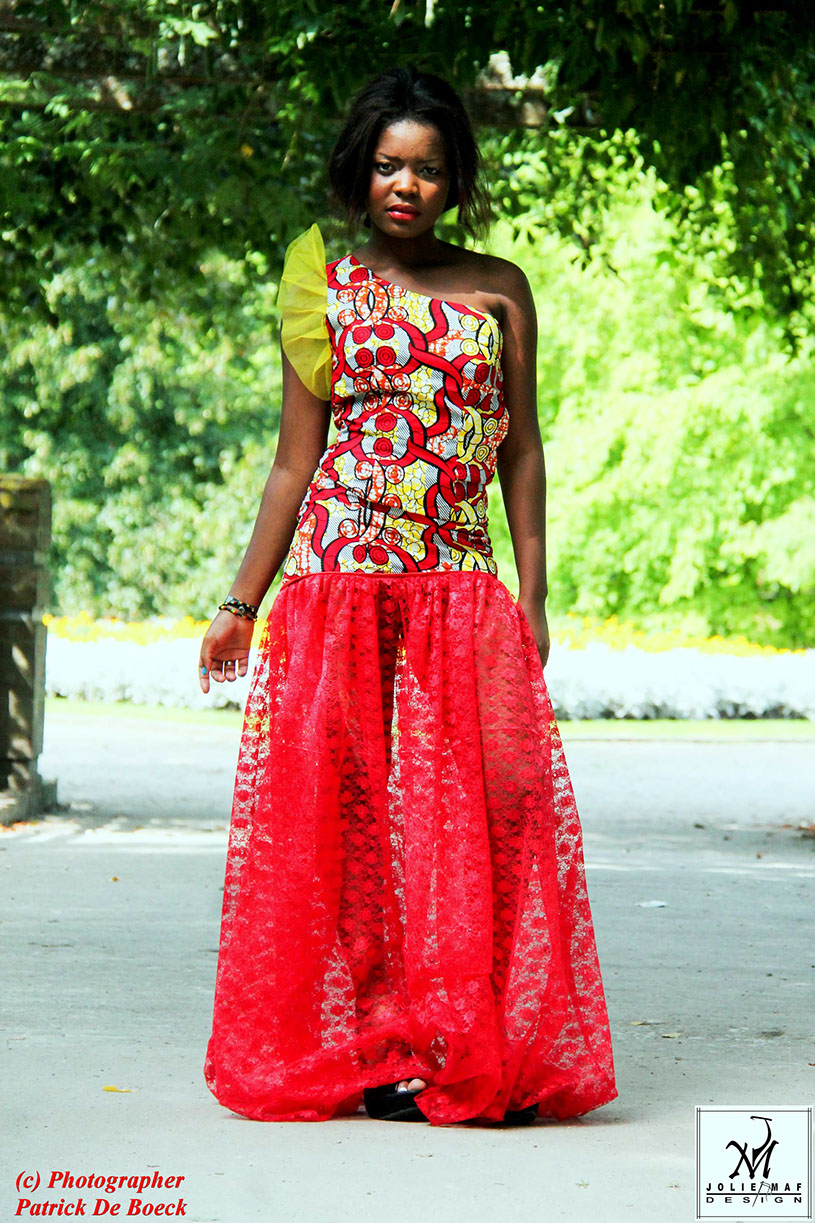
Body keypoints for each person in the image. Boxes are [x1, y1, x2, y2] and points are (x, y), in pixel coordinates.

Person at [199, 65, 617, 1127]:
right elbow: (293, 461)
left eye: (427, 169)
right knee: (352, 828)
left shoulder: (498, 287)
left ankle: (475, 1041)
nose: (405, 185)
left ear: (455, 180)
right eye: (388, 165)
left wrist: (533, 591)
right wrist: (240, 602)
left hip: (457, 589)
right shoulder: (326, 288)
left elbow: (522, 448)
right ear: (360, 170)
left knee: (487, 811)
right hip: (338, 589)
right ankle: (381, 1047)